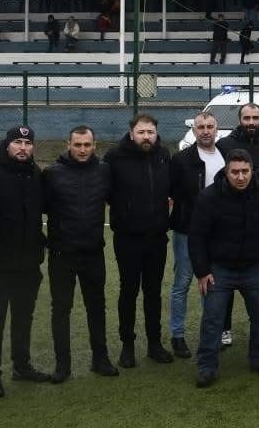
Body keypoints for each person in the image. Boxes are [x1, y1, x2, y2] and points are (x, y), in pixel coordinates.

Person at [189, 150, 259, 387]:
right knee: (213, 318)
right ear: (226, 172)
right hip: (220, 268)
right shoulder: (209, 196)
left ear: (252, 170)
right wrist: (202, 271)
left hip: (254, 266)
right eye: (235, 172)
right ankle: (207, 366)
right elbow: (197, 236)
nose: (240, 177)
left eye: (245, 171)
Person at [0, 127, 51, 398]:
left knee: (23, 317)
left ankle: (22, 365)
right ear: (7, 145)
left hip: (29, 263)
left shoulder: (34, 173)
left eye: (27, 143)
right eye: (17, 142)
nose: (23, 147)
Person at [43, 126, 118, 381]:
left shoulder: (104, 171)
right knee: (61, 309)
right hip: (62, 254)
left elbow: (115, 198)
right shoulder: (52, 173)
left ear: (94, 146)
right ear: (68, 144)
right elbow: (39, 207)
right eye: (78, 145)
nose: (83, 149)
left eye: (87, 145)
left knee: (96, 306)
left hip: (93, 252)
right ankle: (62, 365)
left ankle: (101, 359)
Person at [104, 114, 174, 368]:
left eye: (150, 132)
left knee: (153, 293)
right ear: (132, 133)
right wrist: (127, 211)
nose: (146, 136)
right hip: (127, 239)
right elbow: (107, 193)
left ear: (156, 133)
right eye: (141, 132)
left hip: (157, 238)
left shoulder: (163, 155)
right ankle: (128, 345)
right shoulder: (114, 157)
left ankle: (154, 344)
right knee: (129, 291)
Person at [167, 112, 225, 359]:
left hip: (217, 233)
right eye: (201, 127)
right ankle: (177, 335)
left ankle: (209, 335)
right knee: (182, 283)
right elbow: (170, 192)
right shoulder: (181, 159)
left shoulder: (225, 156)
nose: (205, 131)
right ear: (194, 130)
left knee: (210, 285)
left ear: (216, 129)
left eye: (210, 126)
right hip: (187, 231)